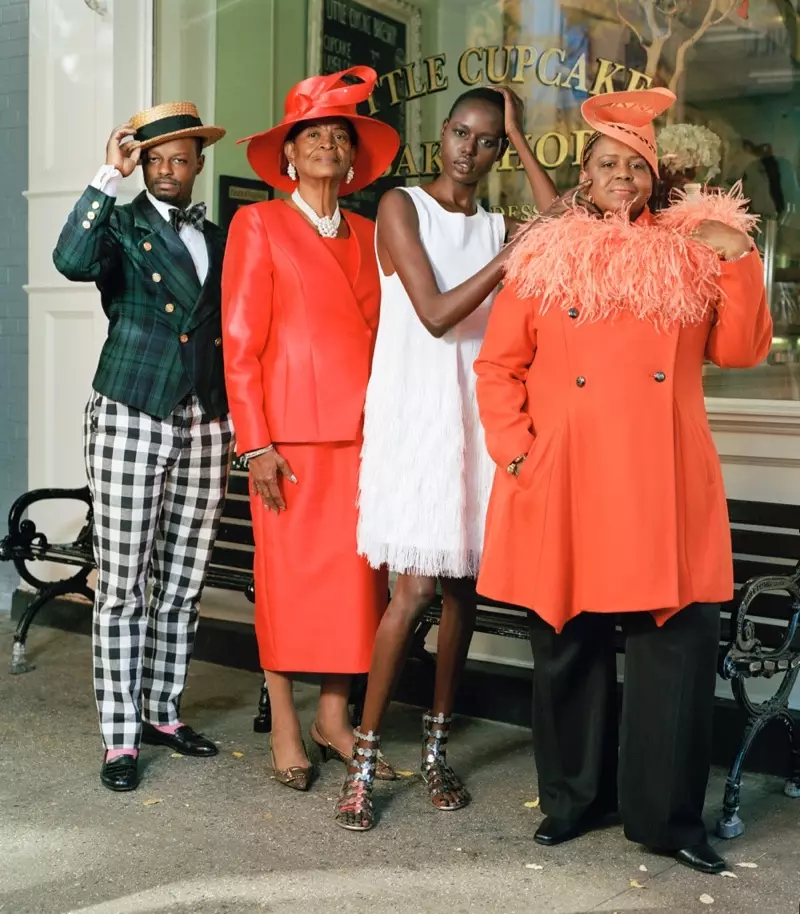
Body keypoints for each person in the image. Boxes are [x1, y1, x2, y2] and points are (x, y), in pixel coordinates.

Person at [474, 88, 773, 874]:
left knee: (674, 647)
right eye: (608, 164)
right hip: (565, 477)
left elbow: (740, 351)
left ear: (653, 177)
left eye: (635, 167)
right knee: (567, 644)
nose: (622, 179)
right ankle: (574, 801)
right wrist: (517, 455)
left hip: (664, 476)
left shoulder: (692, 252)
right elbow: (499, 367)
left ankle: (668, 820)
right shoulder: (545, 254)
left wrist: (737, 256)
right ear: (588, 172)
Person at [335, 86, 559, 831]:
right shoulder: (404, 207)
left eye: (488, 140)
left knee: (464, 589)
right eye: (460, 132)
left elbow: (558, 223)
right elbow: (433, 315)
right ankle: (365, 762)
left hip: (478, 416)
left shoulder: (497, 222)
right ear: (443, 136)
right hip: (419, 417)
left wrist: (527, 141)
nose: (469, 147)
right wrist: (512, 254)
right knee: (415, 591)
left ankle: (434, 751)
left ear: (498, 153)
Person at [221, 67, 400, 792]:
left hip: (364, 439)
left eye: (339, 136)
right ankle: (287, 728)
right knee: (289, 584)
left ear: (353, 158)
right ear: (288, 156)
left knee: (358, 588)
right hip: (288, 443)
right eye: (313, 135)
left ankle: (335, 718)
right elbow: (239, 343)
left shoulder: (370, 229)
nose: (328, 145)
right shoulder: (257, 224)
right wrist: (255, 442)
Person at [53, 103, 232, 792]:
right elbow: (68, 259)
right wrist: (108, 176)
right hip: (132, 409)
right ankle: (119, 738)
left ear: (197, 164)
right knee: (123, 584)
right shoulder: (119, 224)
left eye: (178, 158)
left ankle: (161, 711)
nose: (165, 169)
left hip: (206, 418)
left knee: (183, 581)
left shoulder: (219, 235)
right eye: (153, 158)